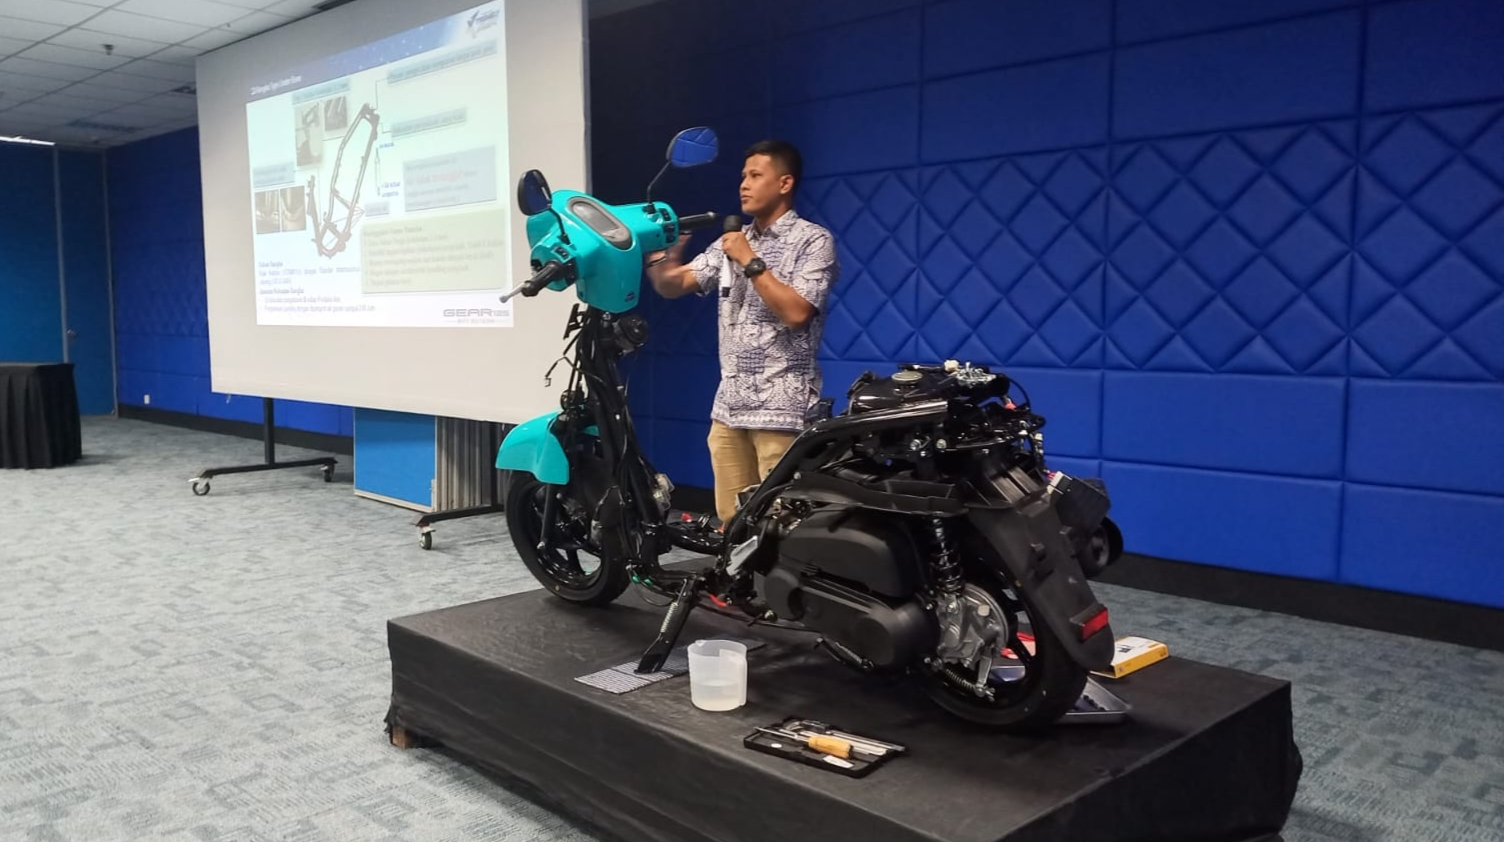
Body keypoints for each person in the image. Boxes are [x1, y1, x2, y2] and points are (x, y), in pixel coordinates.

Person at [644, 140, 840, 525]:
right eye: (742, 177)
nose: (744, 185)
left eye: (755, 175)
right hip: (729, 409)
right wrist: (661, 255)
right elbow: (672, 285)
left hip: (782, 411)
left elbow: (797, 312)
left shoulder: (813, 241)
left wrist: (749, 259)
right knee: (732, 523)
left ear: (784, 183)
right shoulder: (730, 243)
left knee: (783, 523)